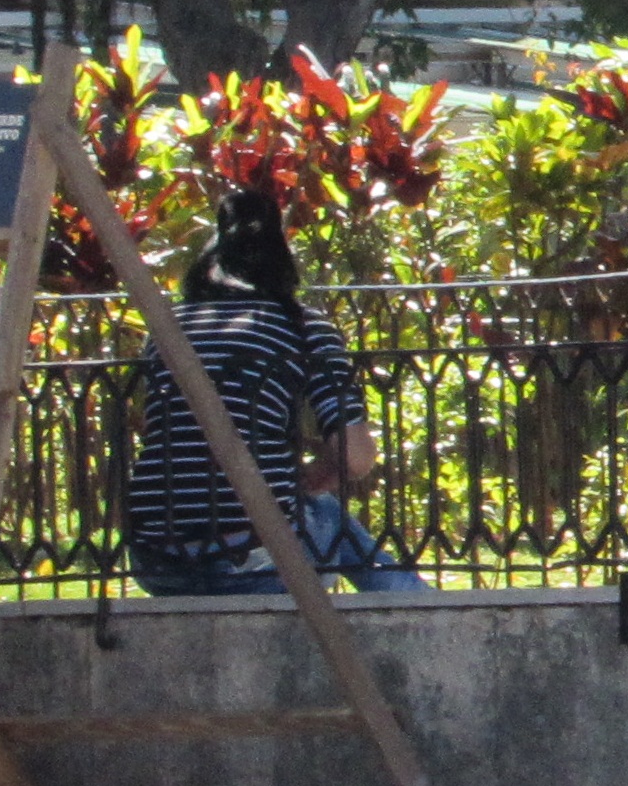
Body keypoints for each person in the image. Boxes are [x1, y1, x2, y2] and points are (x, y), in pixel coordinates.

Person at [123, 185, 422, 595]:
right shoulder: (301, 327)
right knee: (322, 511)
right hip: (255, 563)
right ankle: (417, 604)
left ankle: (412, 599)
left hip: (157, 561)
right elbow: (355, 457)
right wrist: (322, 470)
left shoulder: (167, 328)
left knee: (307, 509)